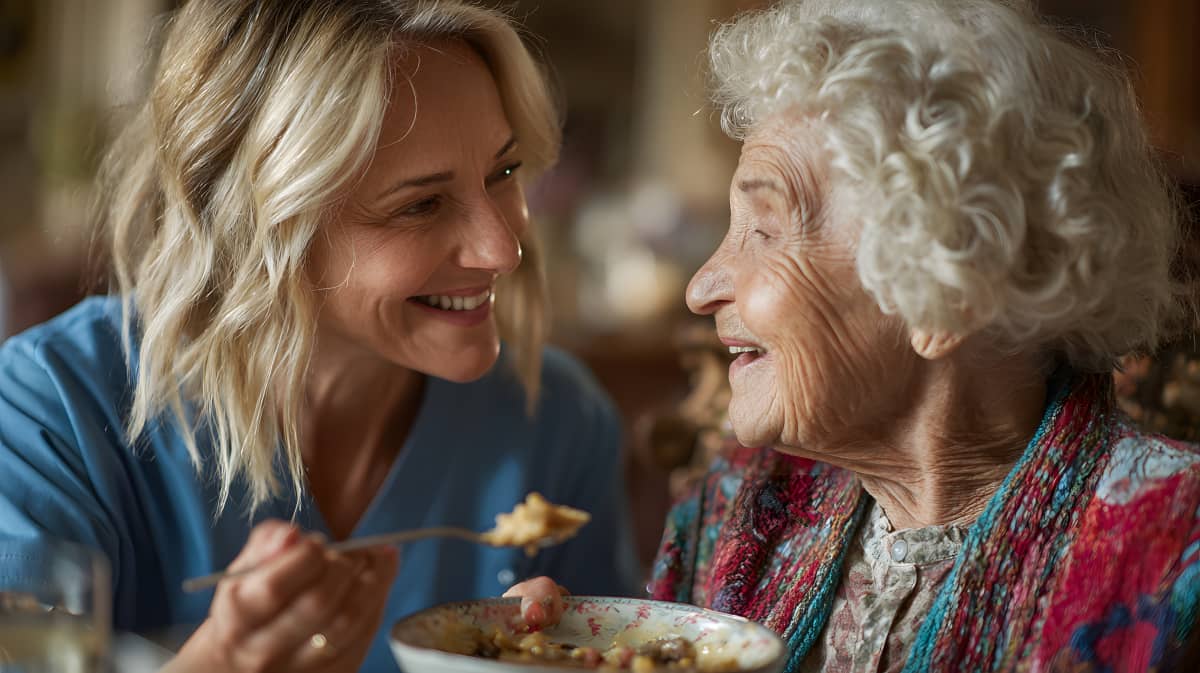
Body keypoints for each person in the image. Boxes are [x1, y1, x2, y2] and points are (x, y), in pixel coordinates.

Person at [509, 0, 1200, 670]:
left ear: (948, 291)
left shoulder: (1177, 554)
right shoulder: (744, 506)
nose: (701, 285)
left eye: (764, 230)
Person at [0, 1, 637, 672]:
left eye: (503, 172)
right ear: (258, 228)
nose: (503, 249)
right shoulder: (50, 415)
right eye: (420, 204)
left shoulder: (559, 424)